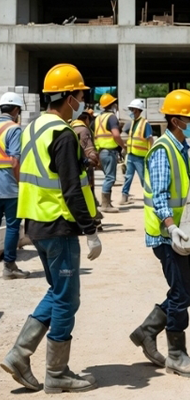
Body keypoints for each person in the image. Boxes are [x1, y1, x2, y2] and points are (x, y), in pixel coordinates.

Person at [1, 64, 102, 393]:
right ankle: (57, 372)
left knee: (58, 293)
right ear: (70, 97)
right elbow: (71, 188)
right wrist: (90, 229)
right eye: (81, 95)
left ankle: (20, 353)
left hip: (37, 223)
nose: (83, 100)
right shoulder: (62, 133)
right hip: (59, 226)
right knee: (66, 299)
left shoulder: (32, 128)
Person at [130, 89, 190, 378]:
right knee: (181, 292)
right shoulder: (163, 149)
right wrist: (170, 226)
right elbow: (161, 195)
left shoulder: (179, 147)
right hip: (167, 234)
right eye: (188, 118)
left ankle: (146, 331)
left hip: (180, 233)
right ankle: (176, 355)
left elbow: (180, 187)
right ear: (175, 120)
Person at [0, 92, 30, 279]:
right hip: (8, 186)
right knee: (12, 226)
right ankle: (9, 266)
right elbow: (14, 161)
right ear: (16, 109)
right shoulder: (14, 128)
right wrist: (21, 183)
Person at [71, 109, 103, 231]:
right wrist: (96, 161)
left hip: (75, 166)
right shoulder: (84, 129)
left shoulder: (71, 127)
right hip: (86, 167)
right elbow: (89, 150)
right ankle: (95, 221)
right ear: (86, 119)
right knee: (89, 194)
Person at [94, 93, 126, 213]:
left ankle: (106, 202)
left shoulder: (98, 118)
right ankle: (105, 204)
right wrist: (123, 146)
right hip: (109, 151)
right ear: (112, 105)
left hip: (101, 151)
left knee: (108, 177)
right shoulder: (112, 117)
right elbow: (116, 135)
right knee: (110, 178)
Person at [120, 98, 153, 205]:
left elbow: (150, 139)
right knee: (128, 177)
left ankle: (149, 197)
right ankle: (124, 196)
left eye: (133, 110)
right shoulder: (133, 122)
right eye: (131, 109)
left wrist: (151, 153)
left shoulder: (145, 123)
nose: (131, 112)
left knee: (143, 178)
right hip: (131, 155)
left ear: (138, 111)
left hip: (141, 157)